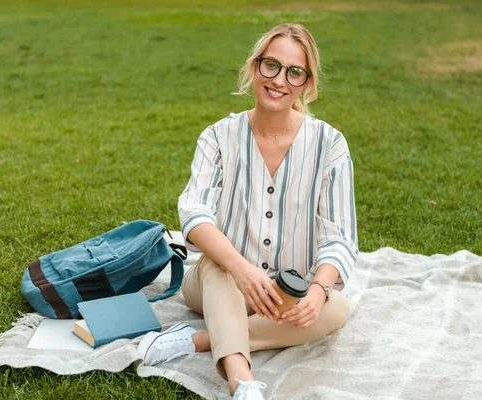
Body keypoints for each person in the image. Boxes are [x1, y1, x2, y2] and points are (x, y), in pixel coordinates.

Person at [138, 23, 358, 400]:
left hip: (284, 292)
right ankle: (242, 383)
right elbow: (194, 213)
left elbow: (339, 236)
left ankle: (200, 340)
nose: (279, 80)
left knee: (335, 310)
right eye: (270, 65)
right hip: (216, 282)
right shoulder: (217, 137)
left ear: (307, 83)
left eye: (294, 72)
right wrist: (243, 271)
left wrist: (318, 291)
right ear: (255, 68)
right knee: (220, 265)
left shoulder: (330, 144)